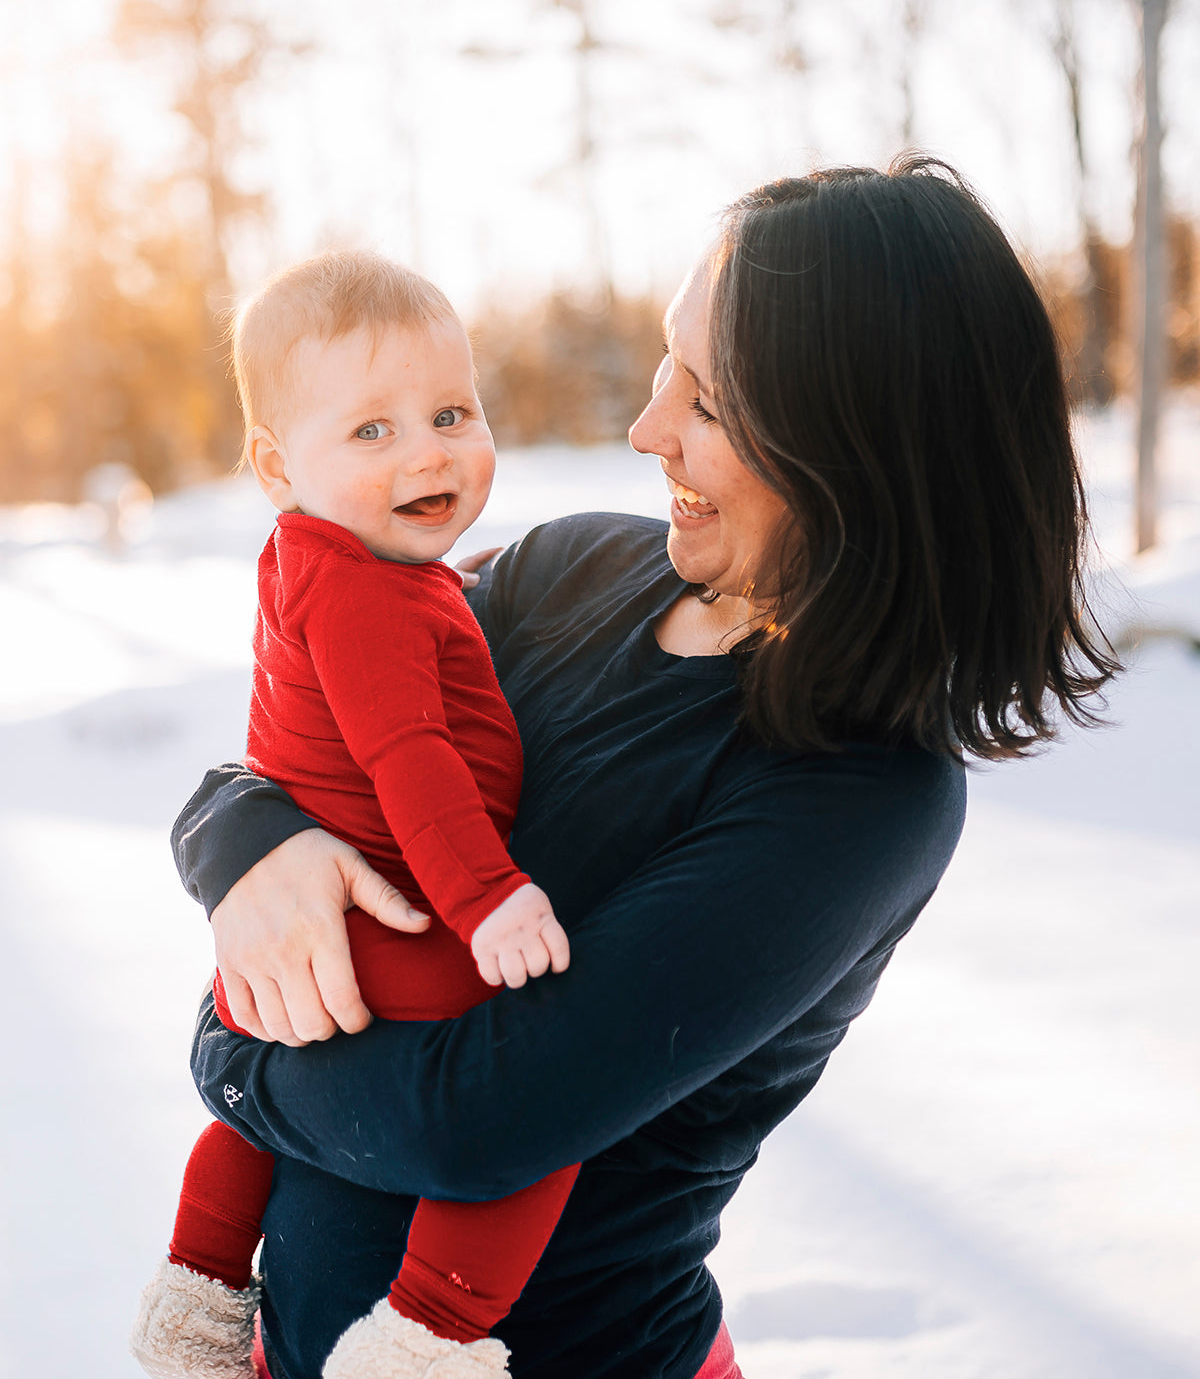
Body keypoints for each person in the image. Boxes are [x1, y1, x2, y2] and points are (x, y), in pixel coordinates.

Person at [174, 159, 1117, 1379]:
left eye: (708, 403)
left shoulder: (859, 793)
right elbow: (314, 726)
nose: (645, 428)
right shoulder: (563, 572)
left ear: (857, 450)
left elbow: (479, 1124)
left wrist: (232, 1052)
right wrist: (237, 831)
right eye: (668, 365)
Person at [133, 252, 577, 1379]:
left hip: (300, 950)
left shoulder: (317, 560)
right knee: (538, 1126)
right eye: (370, 431)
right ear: (279, 467)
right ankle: (428, 1331)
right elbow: (410, 759)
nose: (427, 450)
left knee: (251, 1123)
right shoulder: (372, 594)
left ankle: (200, 1287)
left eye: (449, 412)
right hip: (404, 925)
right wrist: (488, 897)